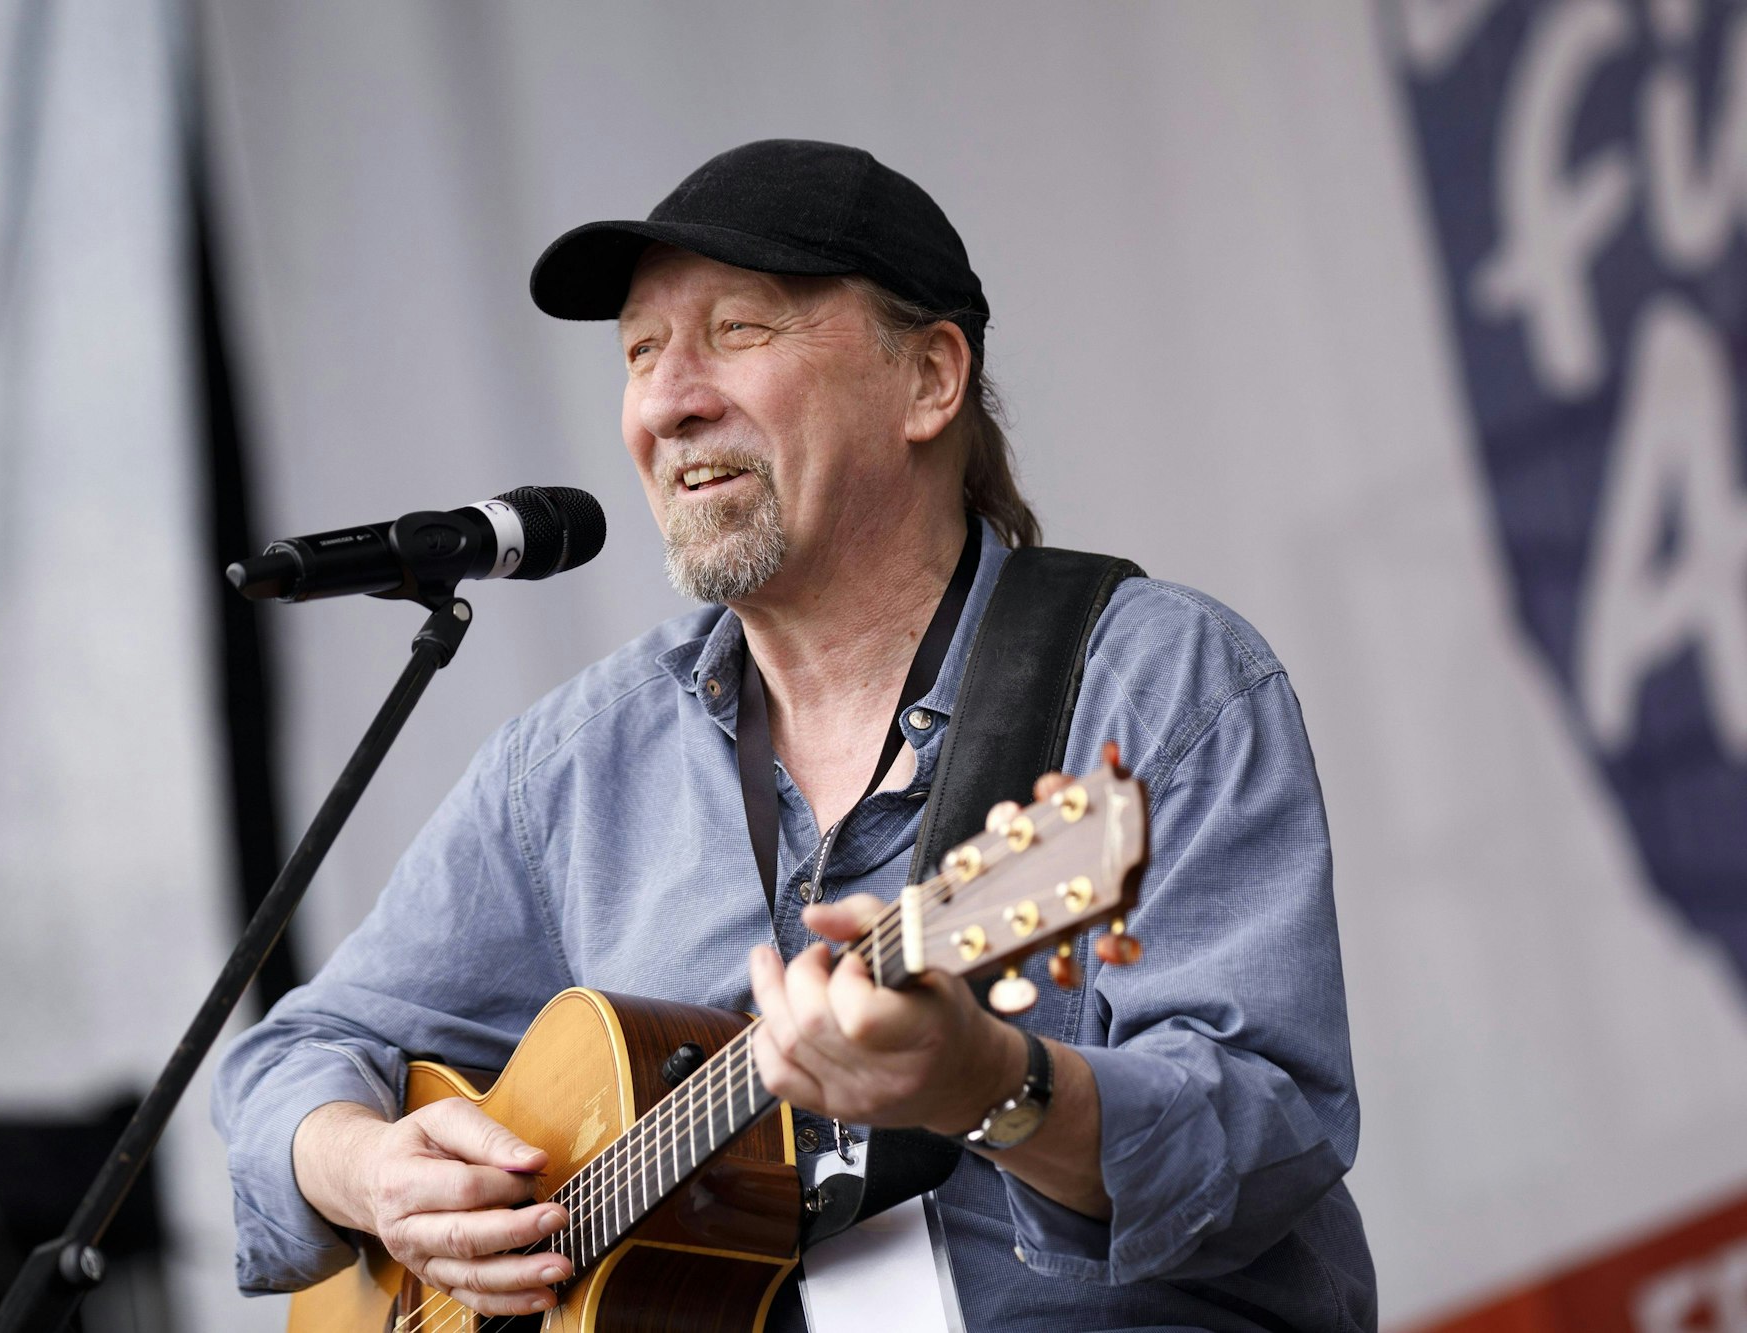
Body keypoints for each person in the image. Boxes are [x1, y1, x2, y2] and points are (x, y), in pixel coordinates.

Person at [213, 138, 1376, 1332]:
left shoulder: (1154, 680)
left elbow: (1268, 1136)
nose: (669, 401)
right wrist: (372, 1175)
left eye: (738, 331)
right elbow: (292, 1053)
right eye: (642, 353)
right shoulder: (573, 769)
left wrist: (994, 1083)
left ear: (928, 379)